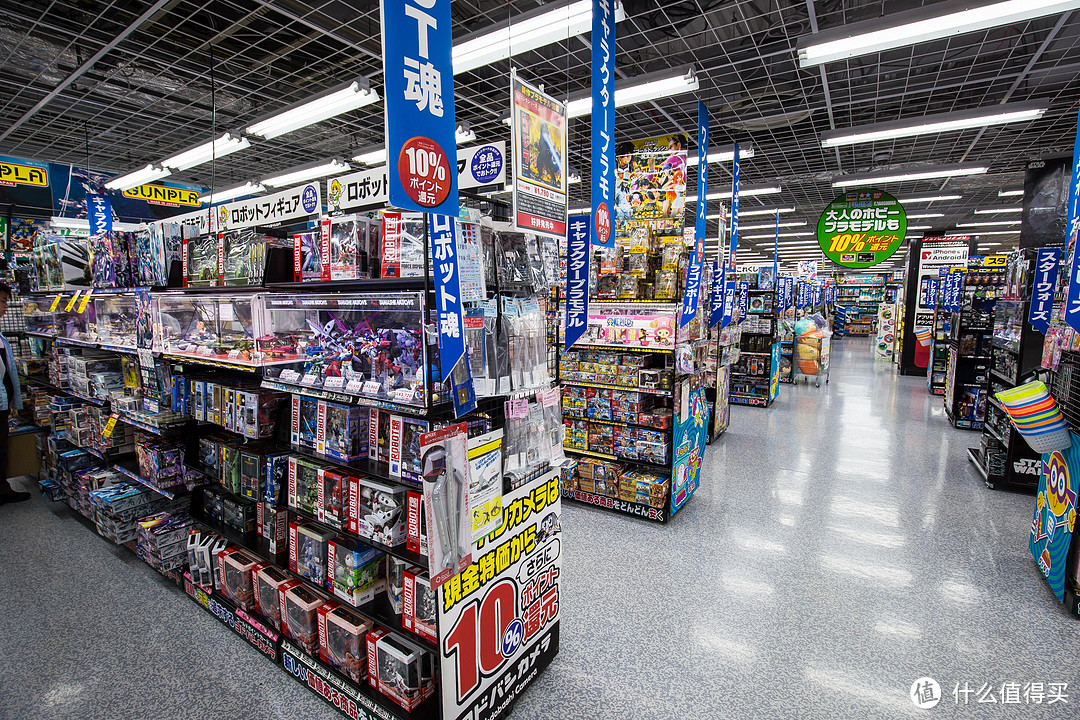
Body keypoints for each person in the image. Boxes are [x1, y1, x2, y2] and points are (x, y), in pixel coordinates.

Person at [0, 283, 27, 504]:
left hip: (2, 404)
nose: (6, 307)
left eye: (7, 301)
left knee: (1, 447)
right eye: (2, 301)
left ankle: (2, 487)